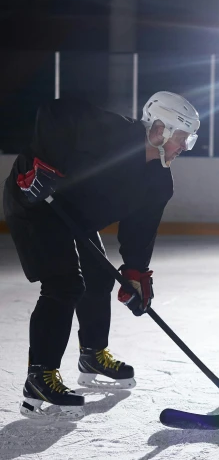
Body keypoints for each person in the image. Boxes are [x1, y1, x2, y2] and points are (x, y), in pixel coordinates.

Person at [3, 91, 200, 420]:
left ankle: (92, 354)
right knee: (64, 285)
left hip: (74, 212)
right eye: (182, 138)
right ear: (160, 129)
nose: (184, 147)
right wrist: (40, 165)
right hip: (35, 200)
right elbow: (54, 112)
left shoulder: (159, 183)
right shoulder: (114, 131)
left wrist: (136, 273)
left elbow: (139, 230)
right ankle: (40, 376)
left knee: (98, 275)